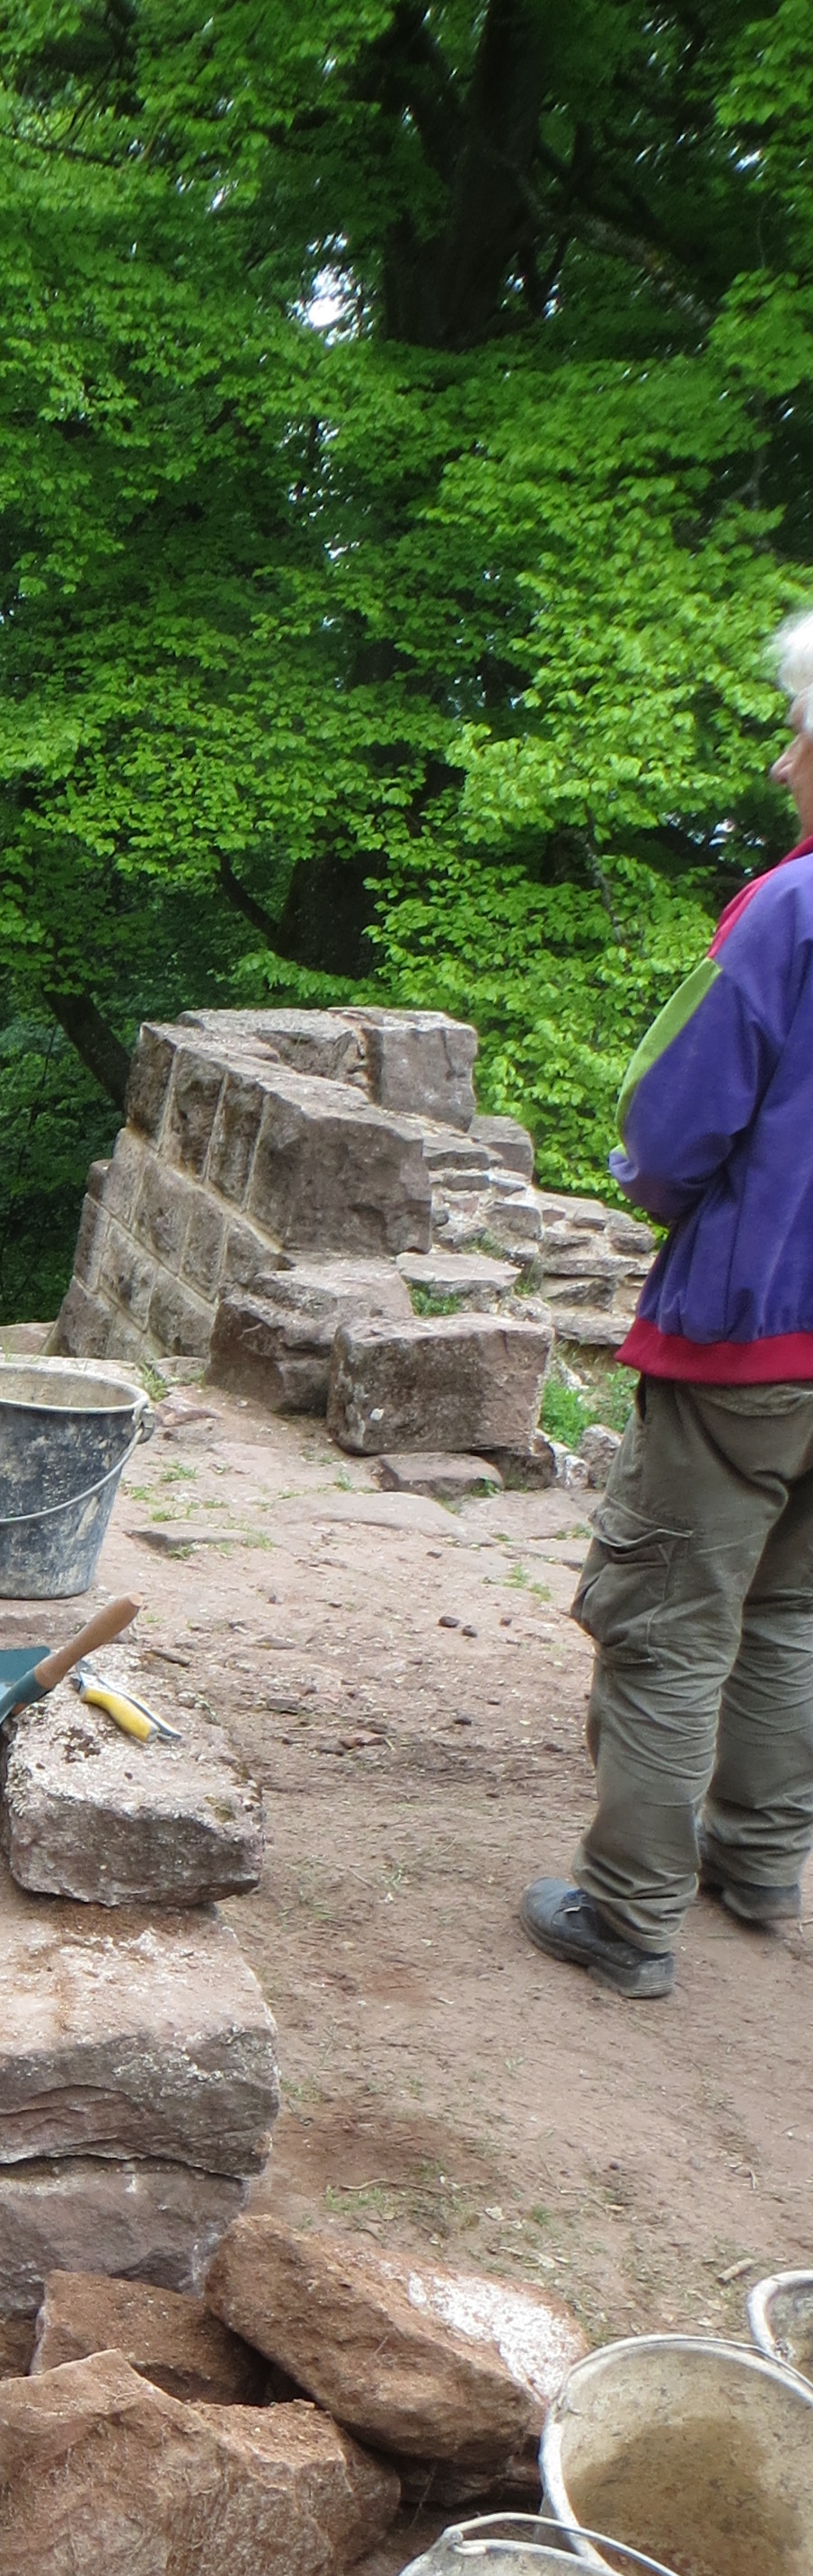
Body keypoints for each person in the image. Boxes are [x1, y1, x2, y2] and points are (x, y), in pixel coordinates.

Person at [521, 611, 813, 1998]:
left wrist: (657, 1188)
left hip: (751, 1333)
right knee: (792, 1607)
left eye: (800, 736)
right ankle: (759, 1862)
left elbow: (678, 1121)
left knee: (670, 1621)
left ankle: (629, 1915)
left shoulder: (789, 911)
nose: (784, 761)